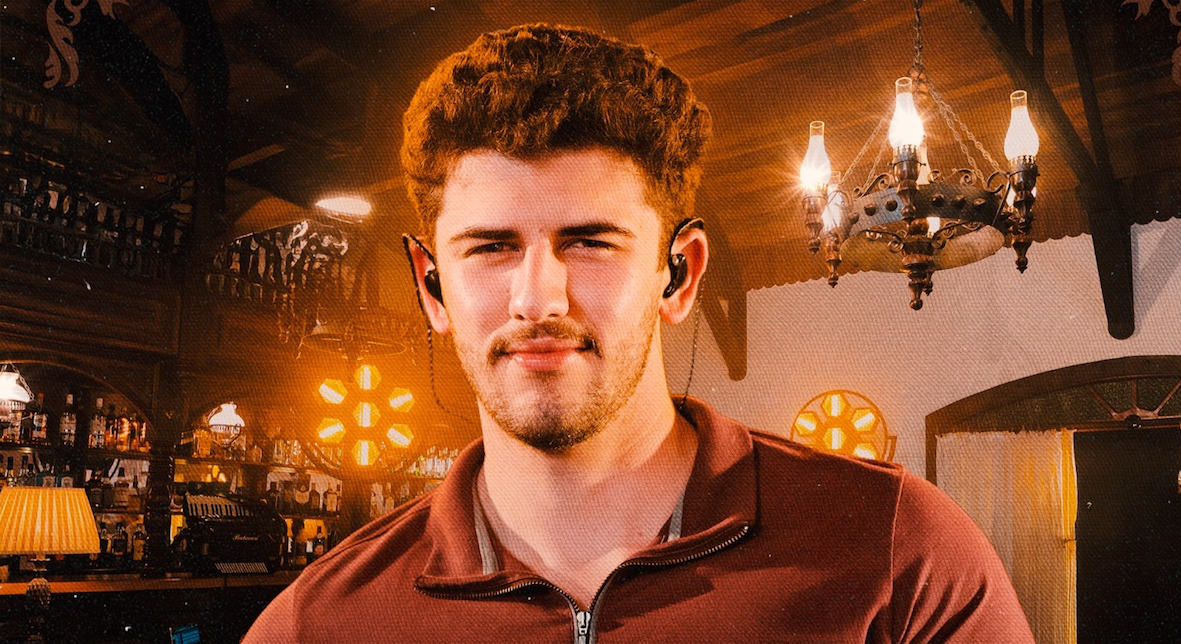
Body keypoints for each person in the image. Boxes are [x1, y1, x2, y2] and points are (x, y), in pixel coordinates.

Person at [245, 24, 1034, 643]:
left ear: (678, 273)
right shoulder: (319, 622)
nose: (536, 297)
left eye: (589, 241)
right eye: (489, 248)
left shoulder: (899, 552)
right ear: (431, 286)